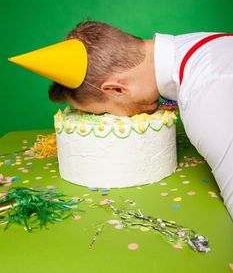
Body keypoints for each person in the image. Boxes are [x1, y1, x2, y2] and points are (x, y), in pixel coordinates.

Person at [9, 20, 233, 220]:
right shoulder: (198, 47)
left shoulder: (205, 95)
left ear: (116, 89)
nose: (107, 117)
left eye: (100, 112)